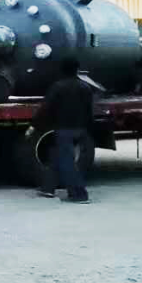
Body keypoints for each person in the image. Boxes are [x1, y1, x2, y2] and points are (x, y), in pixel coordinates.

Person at [27, 57, 95, 203]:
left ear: (62, 70)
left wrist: (33, 126)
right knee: (56, 155)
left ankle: (79, 195)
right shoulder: (85, 87)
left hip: (64, 130)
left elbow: (45, 109)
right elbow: (90, 111)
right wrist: (88, 129)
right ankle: (48, 188)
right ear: (77, 70)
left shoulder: (57, 87)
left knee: (67, 163)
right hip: (80, 130)